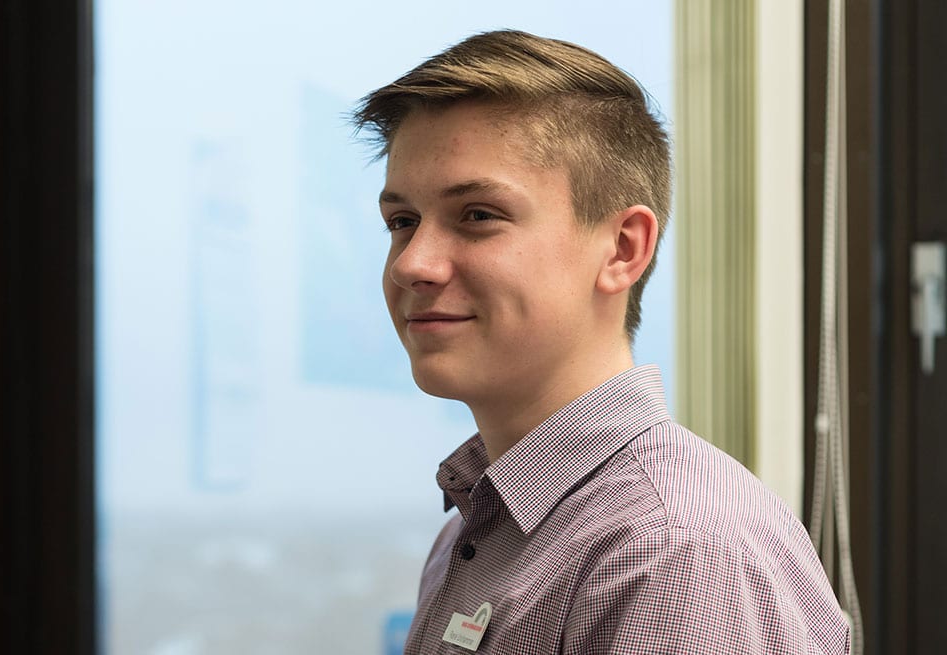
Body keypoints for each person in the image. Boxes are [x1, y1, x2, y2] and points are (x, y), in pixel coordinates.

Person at [353, 29, 849, 655]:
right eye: (402, 222)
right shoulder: (480, 530)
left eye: (478, 215)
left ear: (622, 249)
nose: (411, 264)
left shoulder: (676, 551)